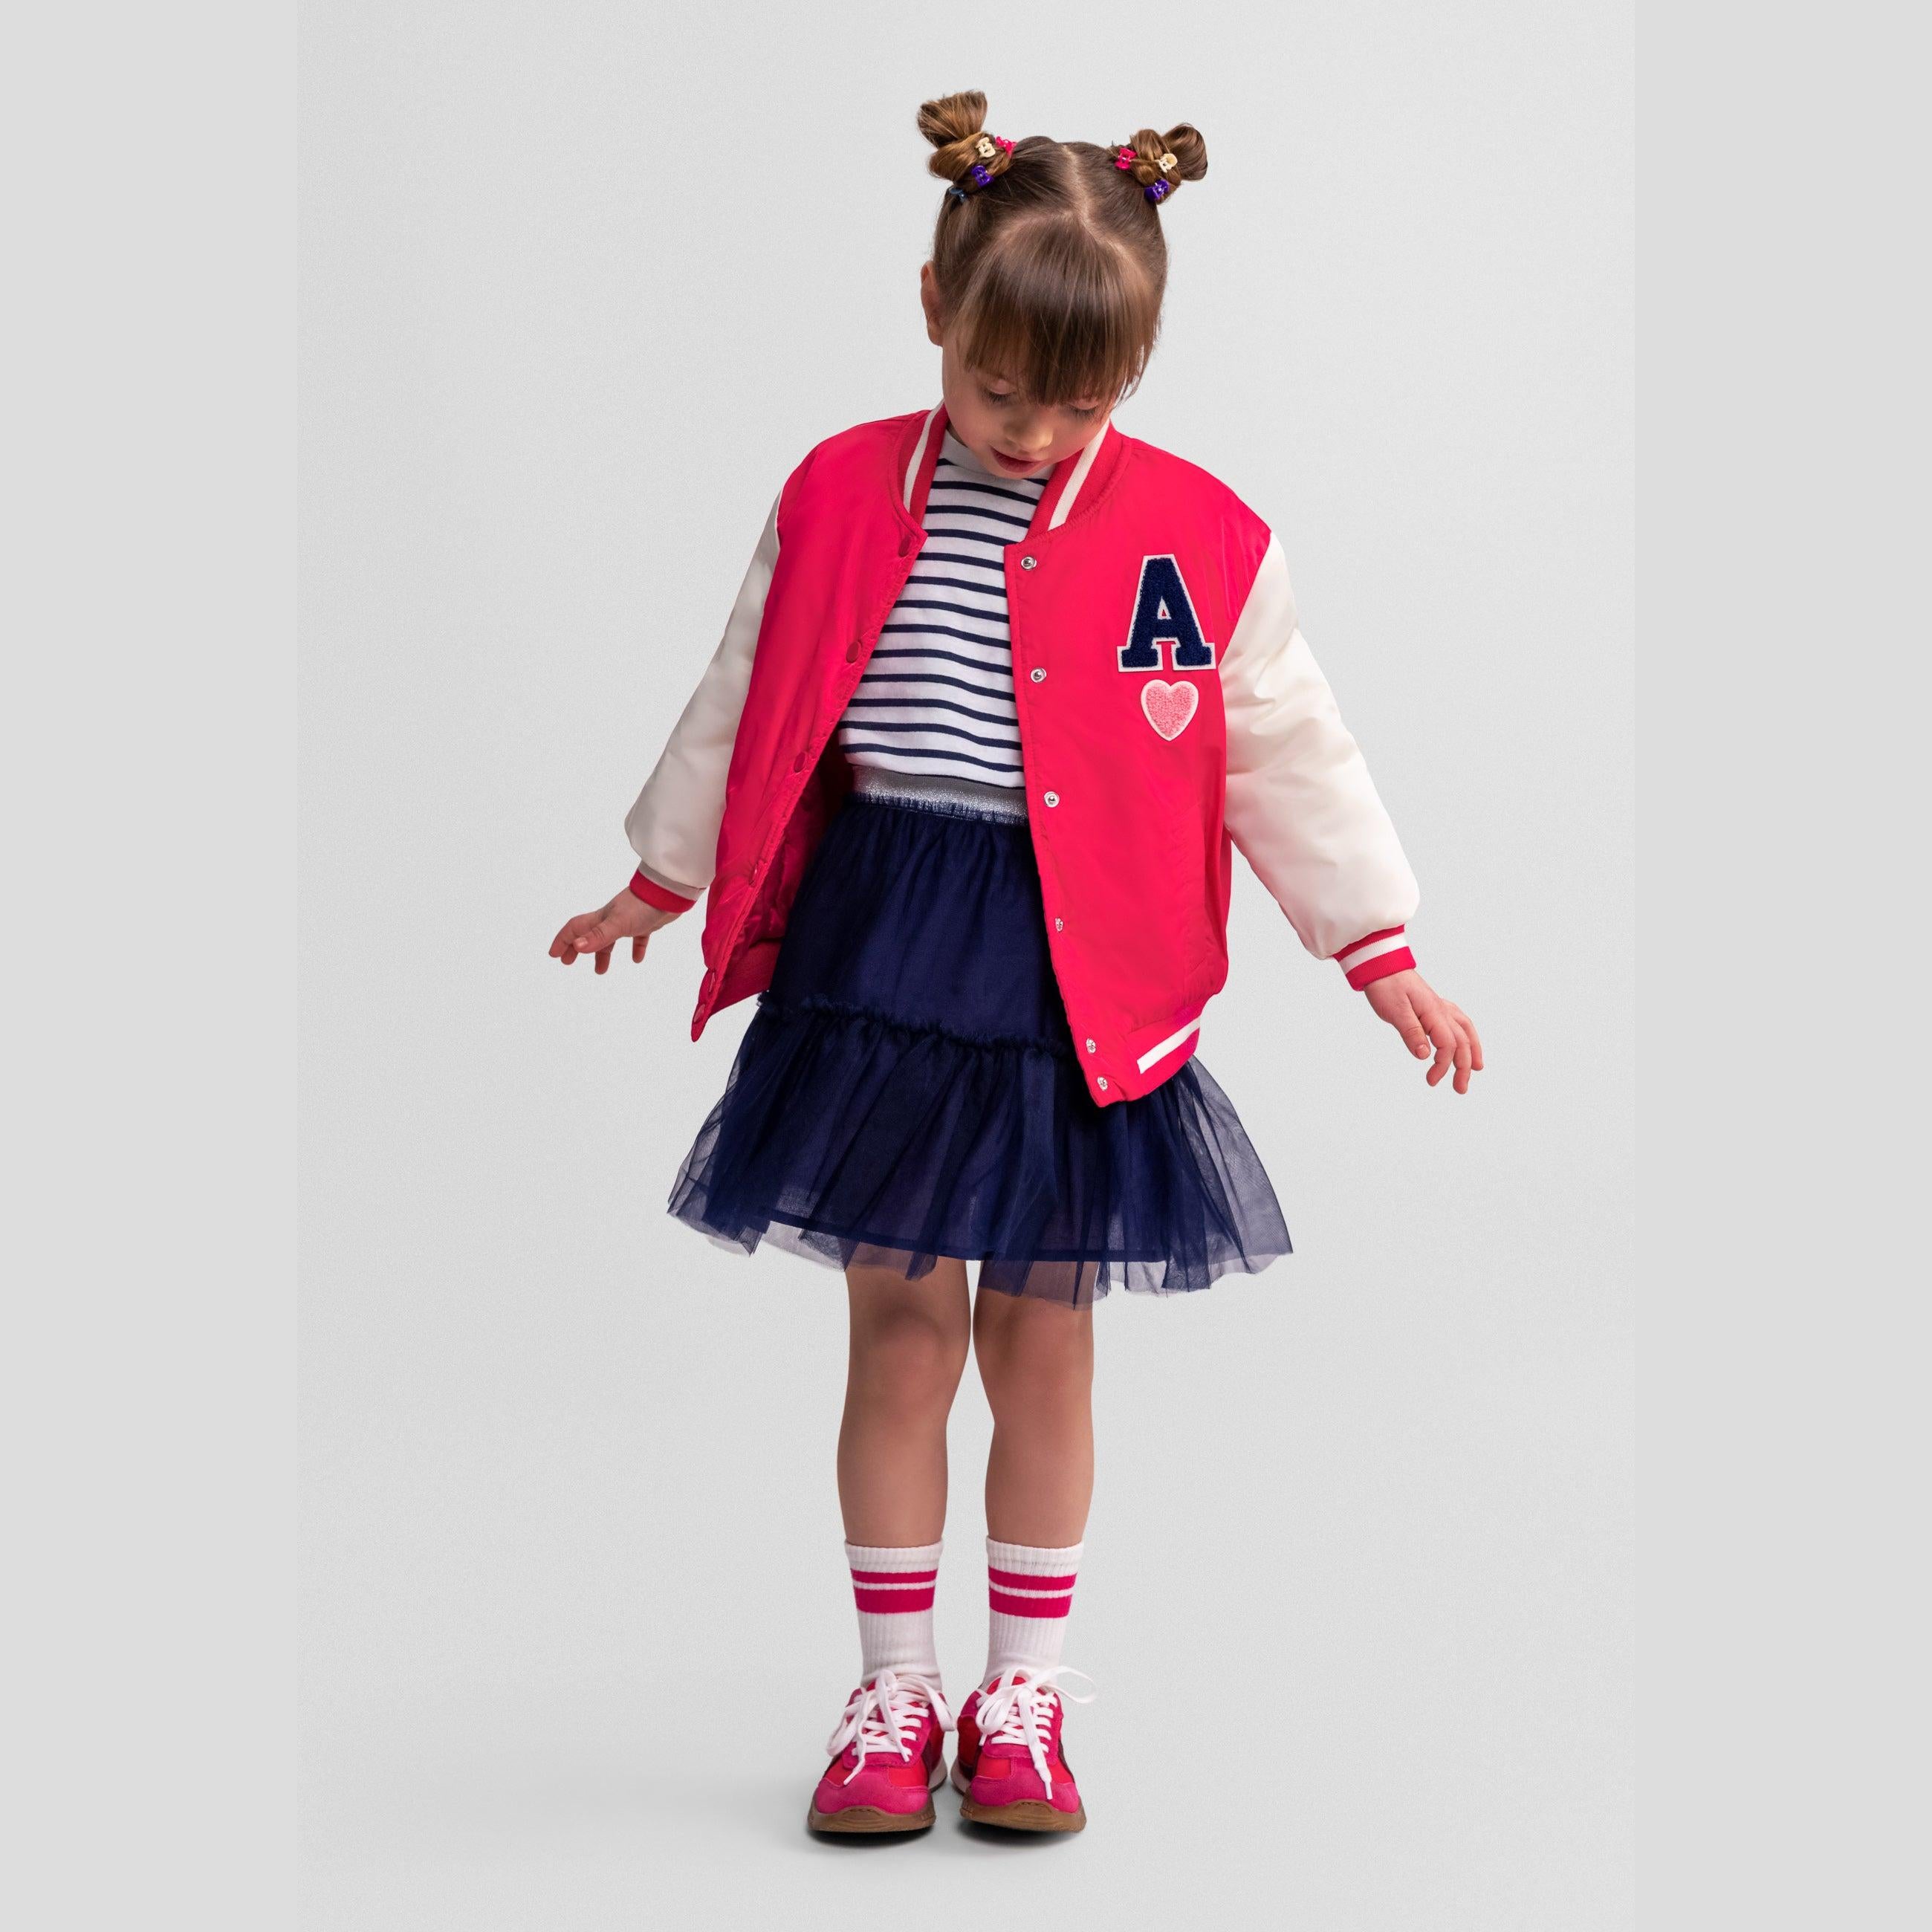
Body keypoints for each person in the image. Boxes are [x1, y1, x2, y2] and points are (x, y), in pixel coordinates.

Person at [550, 91, 1482, 1837]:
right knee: (901, 1333)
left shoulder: (1203, 538)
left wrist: (1378, 947)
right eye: (998, 390)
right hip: (888, 965)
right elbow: (748, 694)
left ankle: (1025, 1695)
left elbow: (1284, 748)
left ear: (1135, 368)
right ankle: (893, 1688)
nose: (1035, 432)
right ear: (933, 307)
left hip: (1080, 983)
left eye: (1080, 402)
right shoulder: (839, 491)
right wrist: (656, 879)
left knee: (1043, 1342)